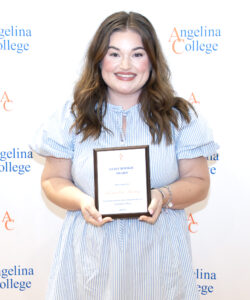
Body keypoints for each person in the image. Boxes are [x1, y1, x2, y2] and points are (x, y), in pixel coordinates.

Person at [31, 11, 218, 300]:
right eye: (114, 54)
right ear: (98, 59)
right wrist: (82, 201)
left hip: (159, 261)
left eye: (138, 54)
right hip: (90, 261)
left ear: (152, 60)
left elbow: (199, 181)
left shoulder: (179, 118)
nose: (126, 65)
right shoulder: (72, 116)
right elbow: (53, 179)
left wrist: (163, 195)